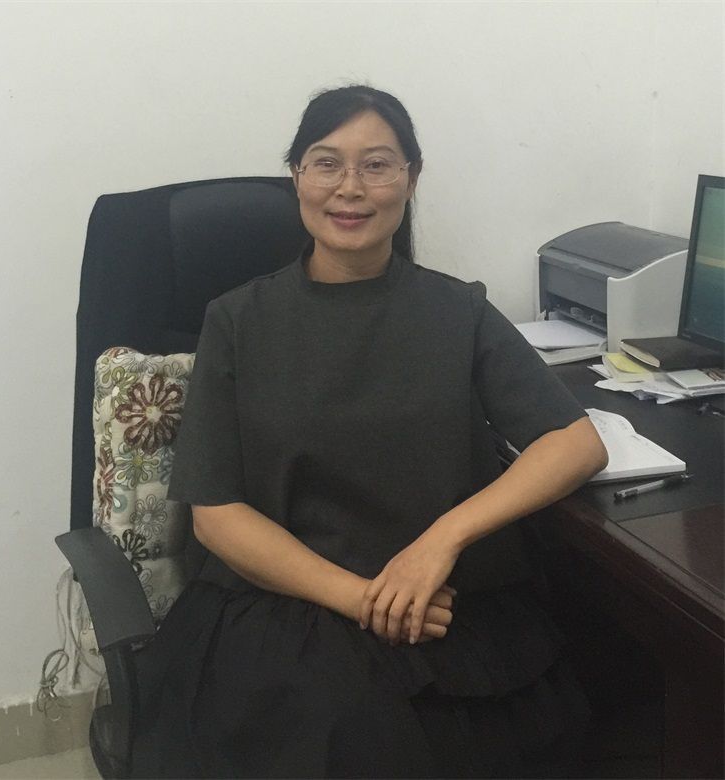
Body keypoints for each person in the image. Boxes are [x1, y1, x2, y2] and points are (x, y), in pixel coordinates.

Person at [132, 84, 608, 779]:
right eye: (326, 163)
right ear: (296, 176)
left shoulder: (458, 311)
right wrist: (364, 599)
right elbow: (217, 515)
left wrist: (440, 542)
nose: (350, 188)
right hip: (288, 610)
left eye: (377, 165)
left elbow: (575, 443)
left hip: (442, 604)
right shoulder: (237, 320)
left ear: (411, 178)